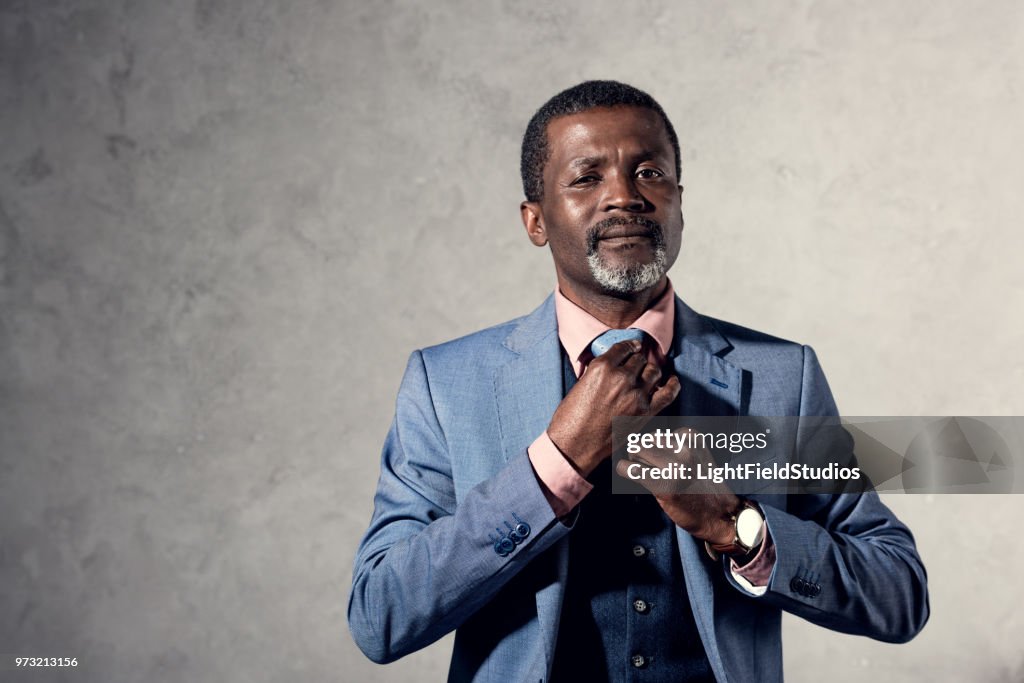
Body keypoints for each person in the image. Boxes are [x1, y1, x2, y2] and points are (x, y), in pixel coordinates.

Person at [348, 80, 928, 682]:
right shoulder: (446, 386)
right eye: (586, 177)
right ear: (535, 220)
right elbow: (380, 616)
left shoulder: (784, 376)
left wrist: (736, 526)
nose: (623, 197)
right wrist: (556, 464)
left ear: (679, 201)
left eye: (649, 173)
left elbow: (897, 593)